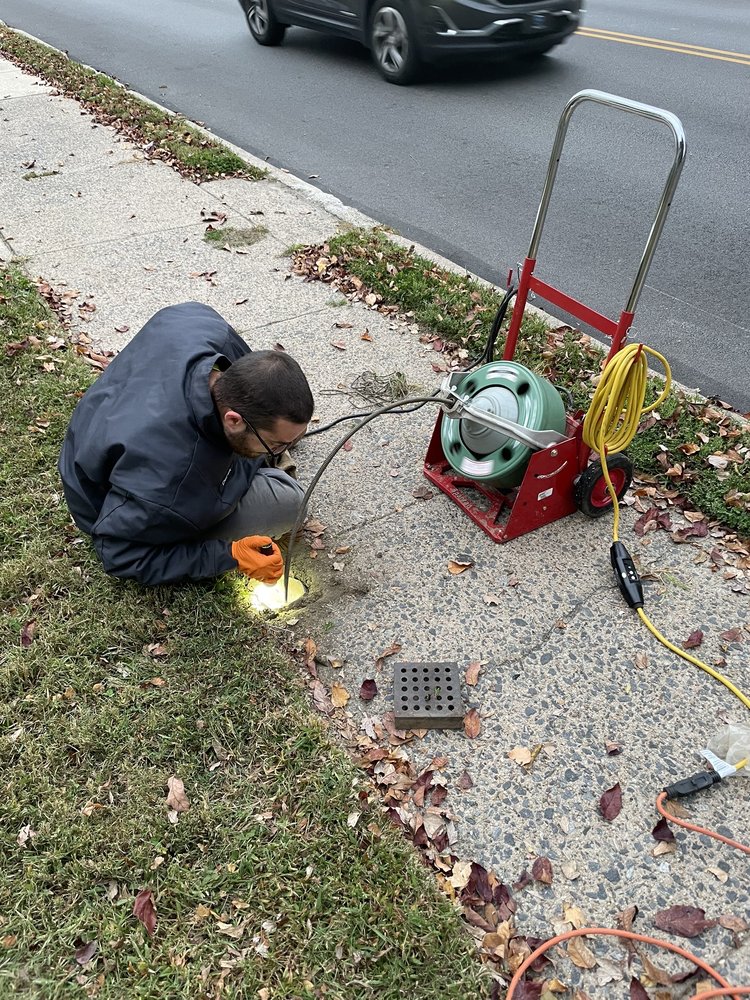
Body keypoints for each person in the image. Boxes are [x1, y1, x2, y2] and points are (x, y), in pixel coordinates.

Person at [58, 302, 313, 587]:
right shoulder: (169, 477)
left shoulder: (205, 327)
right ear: (233, 420)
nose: (283, 450)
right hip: (109, 501)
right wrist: (229, 555)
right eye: (277, 445)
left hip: (106, 437)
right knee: (289, 503)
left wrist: (269, 443)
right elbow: (119, 554)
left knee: (258, 445)